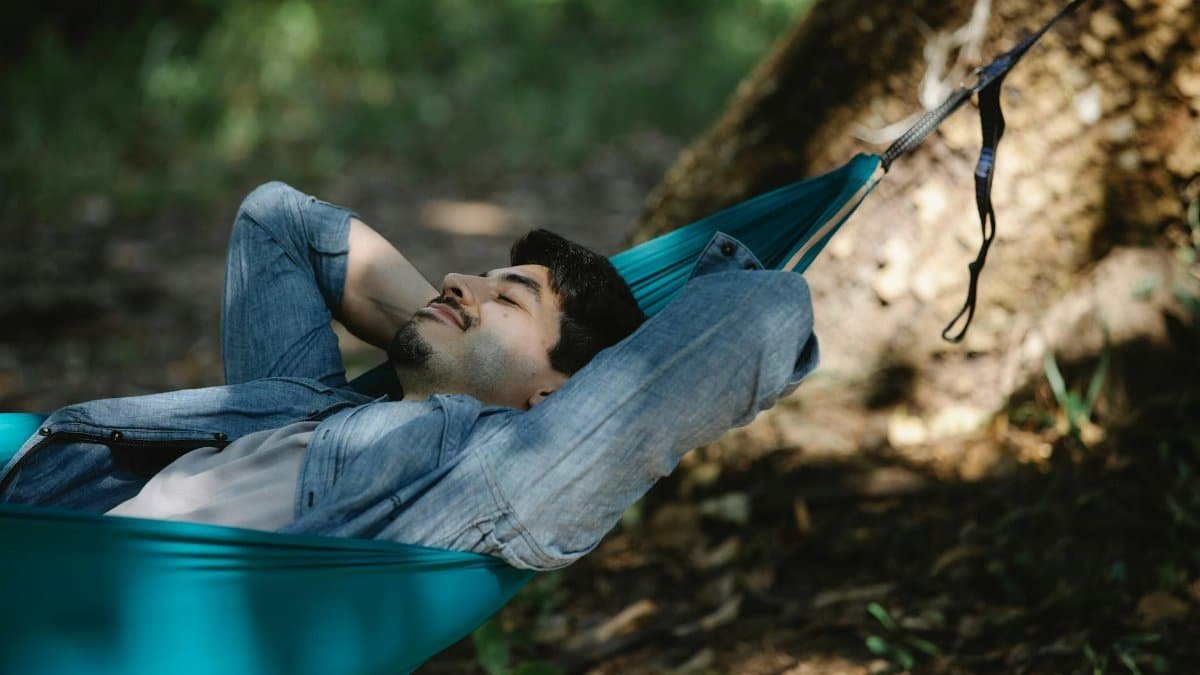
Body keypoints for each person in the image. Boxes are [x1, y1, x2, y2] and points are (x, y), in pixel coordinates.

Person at [0, 181, 820, 570]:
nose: (461, 280)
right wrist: (450, 318)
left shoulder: (492, 479)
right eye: (473, 277)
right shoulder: (305, 405)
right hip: (36, 522)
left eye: (513, 296)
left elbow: (764, 314)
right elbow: (276, 222)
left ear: (559, 393)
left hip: (72, 598)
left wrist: (482, 341)